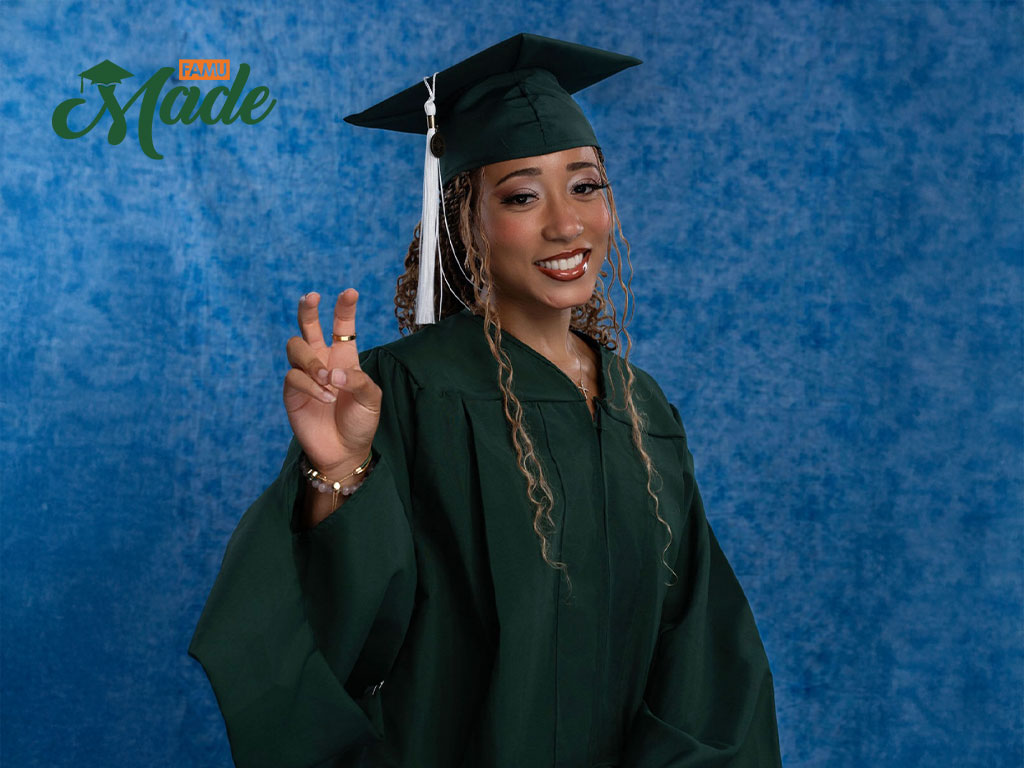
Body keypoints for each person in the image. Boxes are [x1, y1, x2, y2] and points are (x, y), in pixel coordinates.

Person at [189, 33, 783, 768]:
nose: (566, 224)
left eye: (586, 185)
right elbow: (331, 636)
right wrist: (340, 476)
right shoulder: (406, 389)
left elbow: (703, 650)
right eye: (522, 196)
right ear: (464, 221)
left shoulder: (644, 409)